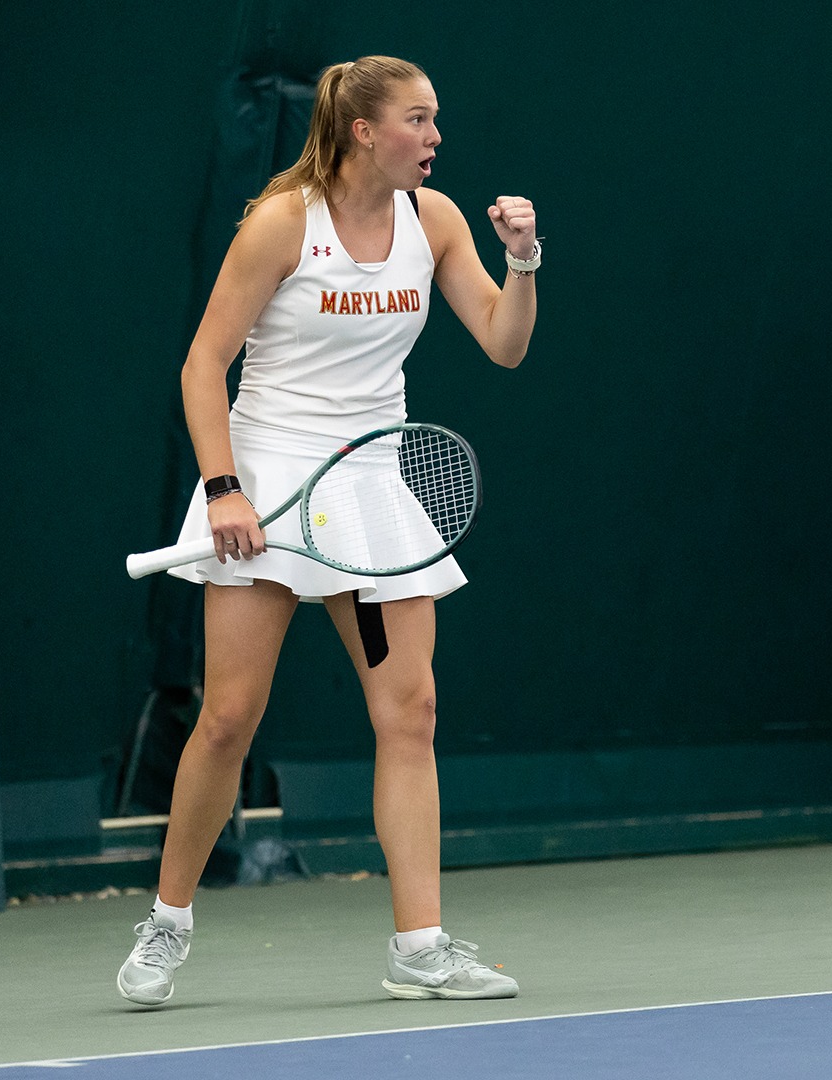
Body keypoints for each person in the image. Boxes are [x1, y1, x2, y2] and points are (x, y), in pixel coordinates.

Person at [116, 55, 537, 1007]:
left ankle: (419, 947)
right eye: (419, 121)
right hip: (266, 479)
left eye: (435, 120)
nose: (435, 138)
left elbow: (505, 344)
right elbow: (203, 365)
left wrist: (522, 259)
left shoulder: (436, 222)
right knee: (227, 720)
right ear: (362, 130)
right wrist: (224, 489)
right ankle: (167, 922)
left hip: (376, 487)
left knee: (411, 715)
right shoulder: (281, 224)